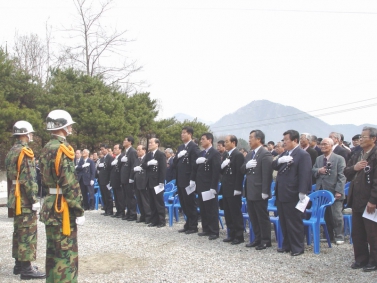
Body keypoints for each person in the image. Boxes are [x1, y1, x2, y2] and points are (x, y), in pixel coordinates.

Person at [39, 110, 85, 282]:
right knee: (66, 254)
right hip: (62, 206)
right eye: (69, 125)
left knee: (52, 250)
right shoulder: (62, 149)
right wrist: (79, 209)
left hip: (51, 203)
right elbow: (69, 183)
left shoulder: (46, 148)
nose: (71, 127)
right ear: (63, 127)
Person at [5, 121, 46, 280]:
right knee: (28, 234)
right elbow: (28, 179)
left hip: (16, 197)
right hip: (24, 199)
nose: (32, 136)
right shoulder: (25, 152)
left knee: (18, 232)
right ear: (24, 134)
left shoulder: (12, 151)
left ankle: (19, 264)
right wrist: (34, 199)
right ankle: (27, 269)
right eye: (31, 133)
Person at [272, 129, 312, 256]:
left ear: (295, 140)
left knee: (294, 222)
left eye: (286, 140)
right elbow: (274, 165)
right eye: (283, 140)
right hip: (282, 192)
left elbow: (305, 174)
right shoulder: (285, 154)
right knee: (284, 221)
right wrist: (279, 160)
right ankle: (287, 245)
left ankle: (297, 247)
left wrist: (302, 191)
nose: (284, 142)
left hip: (293, 193)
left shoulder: (302, 154)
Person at [344, 127, 377, 272]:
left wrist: (373, 200)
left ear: (373, 138)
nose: (361, 139)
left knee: (372, 233)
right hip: (356, 198)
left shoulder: (375, 155)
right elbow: (346, 171)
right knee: (357, 232)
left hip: (369, 200)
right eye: (361, 137)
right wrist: (355, 168)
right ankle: (361, 259)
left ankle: (374, 261)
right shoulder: (358, 154)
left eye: (364, 137)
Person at [241, 130, 273, 250]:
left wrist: (265, 191)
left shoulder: (265, 154)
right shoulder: (250, 154)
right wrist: (246, 166)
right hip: (250, 190)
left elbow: (267, 174)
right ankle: (257, 238)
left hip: (260, 191)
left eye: (251, 137)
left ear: (259, 139)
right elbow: (242, 169)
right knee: (253, 216)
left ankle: (265, 240)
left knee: (262, 216)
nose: (249, 140)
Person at [312, 138, 346, 244]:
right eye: (321, 144)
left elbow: (342, 176)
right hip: (321, 190)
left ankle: (339, 235)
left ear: (331, 146)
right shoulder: (318, 159)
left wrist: (339, 190)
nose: (322, 146)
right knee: (325, 214)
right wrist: (319, 171)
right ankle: (328, 235)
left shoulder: (339, 159)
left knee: (336, 214)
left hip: (334, 190)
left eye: (325, 144)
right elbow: (312, 170)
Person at [191, 133, 221, 240]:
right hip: (201, 184)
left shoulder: (215, 153)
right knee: (203, 208)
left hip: (209, 186)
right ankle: (206, 228)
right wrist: (192, 180)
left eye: (203, 139)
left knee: (211, 209)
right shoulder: (201, 153)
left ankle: (214, 231)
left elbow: (216, 171)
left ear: (210, 140)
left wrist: (214, 186)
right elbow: (195, 168)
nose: (201, 141)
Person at [173, 126, 201, 234]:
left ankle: (193, 226)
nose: (182, 135)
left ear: (190, 134)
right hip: (180, 180)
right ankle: (187, 224)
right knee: (184, 204)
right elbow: (174, 164)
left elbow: (195, 165)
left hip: (188, 180)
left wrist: (192, 179)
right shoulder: (181, 147)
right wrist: (178, 156)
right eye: (182, 133)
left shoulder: (194, 147)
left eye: (184, 133)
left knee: (190, 203)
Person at [220, 135, 245, 245]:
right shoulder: (226, 154)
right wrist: (222, 166)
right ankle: (231, 233)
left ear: (233, 143)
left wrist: (238, 188)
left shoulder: (238, 155)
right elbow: (222, 173)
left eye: (227, 142)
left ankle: (239, 236)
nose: (225, 144)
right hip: (226, 187)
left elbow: (239, 174)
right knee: (228, 213)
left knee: (235, 213)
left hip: (234, 188)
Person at [141, 138, 167, 227]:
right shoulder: (148, 155)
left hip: (157, 182)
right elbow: (143, 165)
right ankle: (154, 220)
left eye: (151, 143)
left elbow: (163, 169)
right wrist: (149, 163)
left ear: (157, 144)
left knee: (159, 202)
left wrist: (161, 182)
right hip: (149, 181)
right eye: (149, 143)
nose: (149, 144)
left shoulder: (161, 154)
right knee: (151, 202)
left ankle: (161, 221)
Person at [120, 136, 138, 221]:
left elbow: (133, 165)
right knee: (126, 197)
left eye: (125, 140)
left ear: (130, 142)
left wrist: (131, 177)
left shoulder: (133, 151)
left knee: (130, 197)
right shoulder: (125, 152)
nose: (124, 142)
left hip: (129, 178)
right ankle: (128, 213)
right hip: (124, 178)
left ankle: (133, 214)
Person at [132, 145, 151, 224]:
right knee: (139, 200)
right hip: (137, 181)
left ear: (144, 150)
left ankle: (148, 216)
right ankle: (142, 215)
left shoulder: (147, 158)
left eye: (139, 150)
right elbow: (133, 168)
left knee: (145, 201)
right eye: (137, 150)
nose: (138, 151)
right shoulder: (137, 159)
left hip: (144, 182)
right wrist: (134, 169)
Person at [98, 144, 114, 215]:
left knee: (108, 196)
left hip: (107, 179)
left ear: (107, 149)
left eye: (103, 149)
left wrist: (110, 180)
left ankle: (110, 210)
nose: (102, 151)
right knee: (103, 195)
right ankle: (106, 209)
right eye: (101, 149)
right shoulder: (102, 158)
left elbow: (110, 169)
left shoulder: (110, 157)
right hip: (101, 179)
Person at [110, 143, 123, 218]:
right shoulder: (115, 158)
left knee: (120, 197)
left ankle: (121, 211)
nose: (114, 150)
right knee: (116, 197)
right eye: (114, 148)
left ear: (120, 149)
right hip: (114, 180)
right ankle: (118, 211)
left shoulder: (121, 157)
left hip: (119, 180)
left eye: (116, 148)